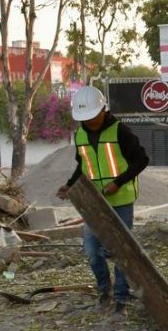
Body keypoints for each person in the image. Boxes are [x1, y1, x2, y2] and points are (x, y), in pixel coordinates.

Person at [56, 85, 149, 316]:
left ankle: (121, 297)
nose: (89, 122)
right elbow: (83, 165)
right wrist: (70, 184)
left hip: (121, 199)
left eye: (92, 117)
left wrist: (118, 182)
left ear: (102, 110)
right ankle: (103, 291)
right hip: (94, 202)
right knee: (91, 250)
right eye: (85, 119)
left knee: (121, 251)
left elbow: (141, 160)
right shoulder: (80, 135)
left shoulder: (120, 131)